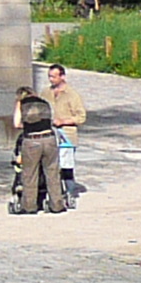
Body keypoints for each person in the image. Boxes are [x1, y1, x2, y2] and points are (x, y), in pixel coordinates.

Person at [11, 82, 68, 213]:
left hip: (32, 140)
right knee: (52, 172)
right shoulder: (43, 102)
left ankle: (29, 206)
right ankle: (57, 205)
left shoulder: (22, 104)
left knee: (30, 174)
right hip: (49, 138)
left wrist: (27, 125)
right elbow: (50, 120)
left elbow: (16, 123)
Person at [42, 63, 88, 199]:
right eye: (49, 77)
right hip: (49, 135)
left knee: (66, 166)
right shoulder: (45, 92)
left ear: (62, 76)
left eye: (54, 77)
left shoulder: (72, 95)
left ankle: (70, 192)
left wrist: (63, 121)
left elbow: (81, 117)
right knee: (49, 165)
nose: (51, 80)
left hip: (67, 137)